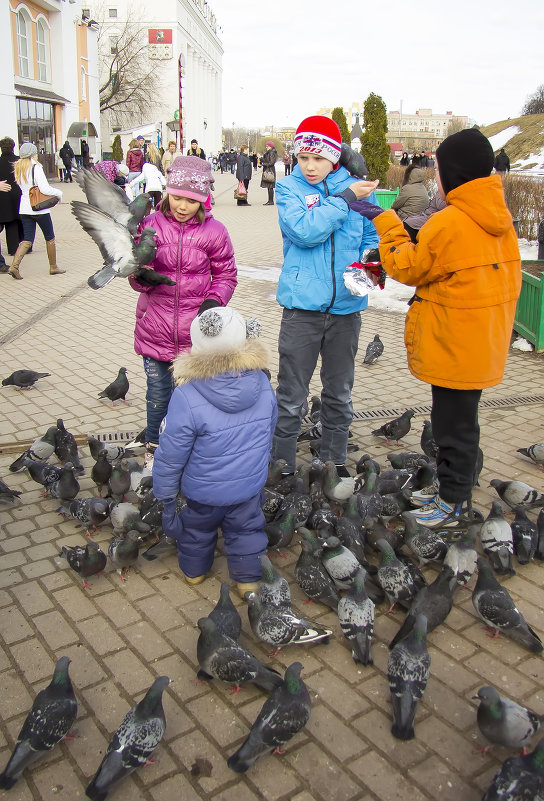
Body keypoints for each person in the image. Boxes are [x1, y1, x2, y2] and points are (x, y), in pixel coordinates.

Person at [354, 128, 521, 528]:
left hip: (455, 342)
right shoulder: (499, 219)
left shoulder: (453, 222)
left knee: (454, 429)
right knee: (458, 423)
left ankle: (454, 505)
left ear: (452, 173)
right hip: (480, 339)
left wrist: (386, 221)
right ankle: (450, 489)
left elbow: (407, 266)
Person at [270, 115, 379, 476]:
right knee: (291, 397)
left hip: (346, 310)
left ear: (335, 157)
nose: (311, 166)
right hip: (302, 309)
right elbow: (305, 231)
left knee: (338, 395)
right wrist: (345, 199)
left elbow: (373, 237)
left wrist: (367, 270)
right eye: (303, 158)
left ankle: (334, 464)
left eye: (319, 158)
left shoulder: (360, 187)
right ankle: (282, 467)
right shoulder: (290, 189)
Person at [152, 307, 277, 594]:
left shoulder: (186, 395)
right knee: (247, 530)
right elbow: (268, 432)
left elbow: (171, 454)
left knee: (196, 531)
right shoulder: (262, 383)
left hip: (203, 492)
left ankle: (195, 572)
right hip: (247, 485)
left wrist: (165, 493)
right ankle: (248, 581)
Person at [128, 155, 237, 467]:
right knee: (158, 396)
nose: (181, 205)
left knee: (191, 400)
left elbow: (227, 275)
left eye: (190, 200)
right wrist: (141, 276)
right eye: (176, 197)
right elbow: (137, 277)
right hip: (156, 329)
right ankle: (154, 448)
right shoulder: (150, 225)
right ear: (166, 193)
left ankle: (189, 451)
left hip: (195, 336)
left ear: (202, 200)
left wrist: (213, 303)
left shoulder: (214, 232)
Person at [8, 142, 64, 280]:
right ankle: (53, 266)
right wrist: (59, 193)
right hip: (39, 208)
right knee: (49, 237)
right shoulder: (36, 168)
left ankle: (14, 266)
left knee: (27, 239)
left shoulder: (18, 168)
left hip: (25, 208)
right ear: (33, 154)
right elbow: (44, 189)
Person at [0, 137, 22, 265]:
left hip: (2, 195)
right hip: (17, 194)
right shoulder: (19, 161)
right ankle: (21, 246)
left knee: (8, 220)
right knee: (18, 221)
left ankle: (13, 248)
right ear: (13, 147)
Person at [261, 141, 277, 205]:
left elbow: (271, 162)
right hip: (268, 169)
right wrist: (261, 159)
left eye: (267, 146)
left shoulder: (271, 153)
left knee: (270, 186)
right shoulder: (268, 153)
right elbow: (267, 160)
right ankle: (270, 200)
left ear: (270, 146)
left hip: (270, 170)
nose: (266, 147)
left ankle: (271, 201)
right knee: (269, 186)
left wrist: (264, 164)